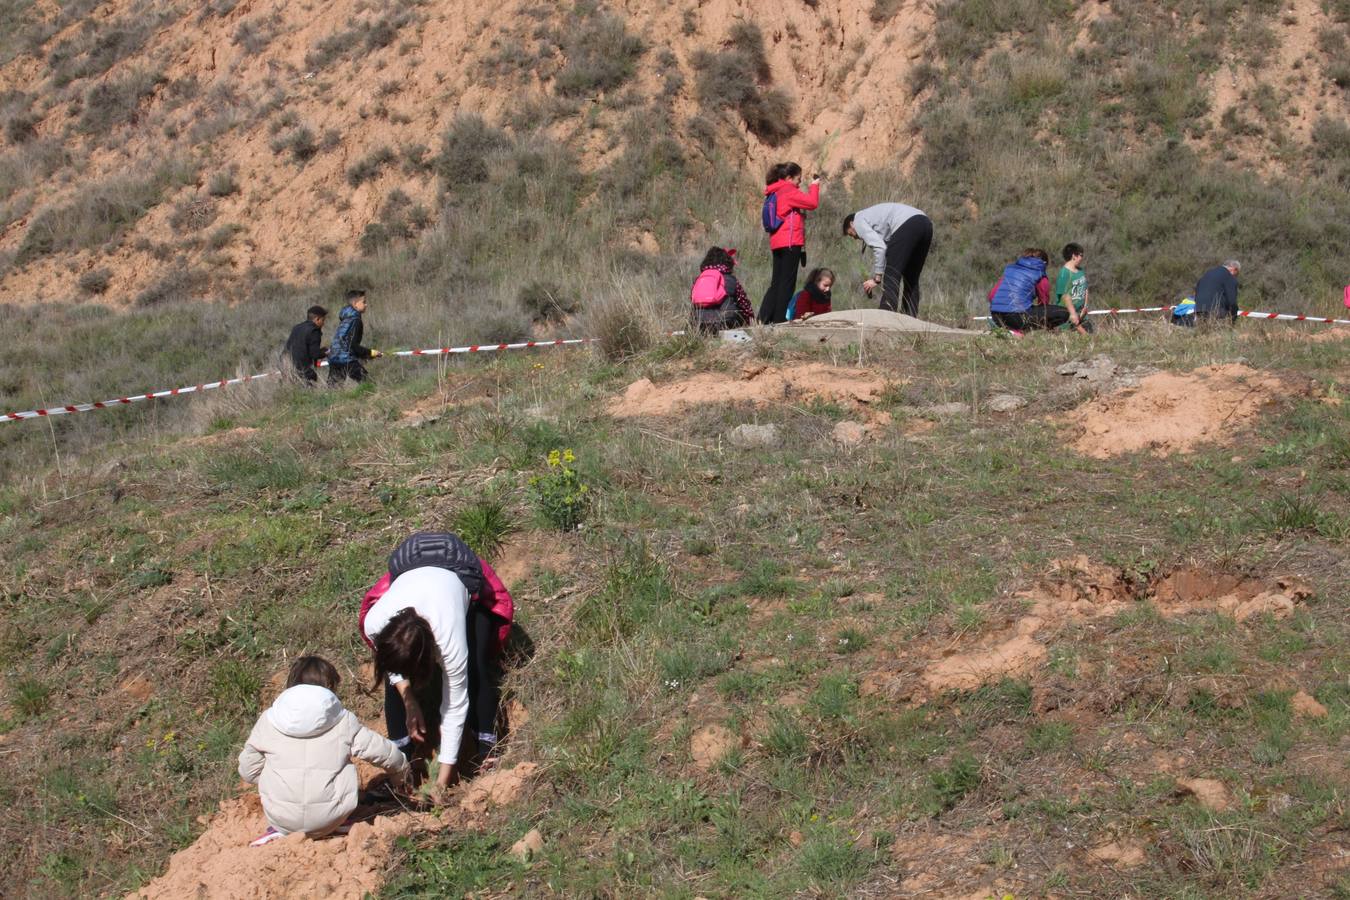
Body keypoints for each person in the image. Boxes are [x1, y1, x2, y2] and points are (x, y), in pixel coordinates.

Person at [360, 532, 514, 792]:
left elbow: (455, 703)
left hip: (455, 561)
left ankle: (487, 749)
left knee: (477, 666)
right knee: (392, 686)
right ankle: (402, 762)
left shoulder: (448, 635)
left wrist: (442, 781)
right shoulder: (375, 623)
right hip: (409, 559)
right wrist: (408, 699)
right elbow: (393, 669)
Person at [238, 656, 408, 844]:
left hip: (282, 820)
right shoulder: (342, 721)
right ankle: (337, 825)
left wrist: (276, 781)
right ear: (330, 687)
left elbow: (248, 770)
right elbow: (384, 753)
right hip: (333, 818)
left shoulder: (269, 720)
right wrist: (401, 775)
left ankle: (281, 830)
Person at [842, 203, 933, 317]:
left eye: (852, 234)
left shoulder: (858, 220)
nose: (855, 237)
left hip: (907, 224)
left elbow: (880, 248)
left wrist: (877, 278)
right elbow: (890, 251)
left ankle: (886, 315)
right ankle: (910, 317)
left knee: (891, 275)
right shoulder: (873, 217)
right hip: (926, 224)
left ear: (851, 224)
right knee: (911, 277)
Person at [758, 162, 820, 324]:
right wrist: (815, 185)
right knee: (787, 284)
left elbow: (786, 214)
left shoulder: (775, 191)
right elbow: (812, 203)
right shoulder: (788, 190)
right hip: (791, 243)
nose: (800, 183)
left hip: (777, 242)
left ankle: (763, 319)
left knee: (776, 283)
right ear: (788, 178)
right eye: (798, 179)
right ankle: (779, 321)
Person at [988, 249, 1071, 332]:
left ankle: (1010, 330)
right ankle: (1023, 331)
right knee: (1063, 312)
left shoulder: (1010, 270)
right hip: (1017, 318)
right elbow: (1044, 303)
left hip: (996, 316)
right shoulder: (1040, 273)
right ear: (1044, 263)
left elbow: (991, 296)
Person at [689, 247, 753, 334]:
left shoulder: (699, 279)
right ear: (727, 262)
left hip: (699, 323)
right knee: (739, 310)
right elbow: (744, 304)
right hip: (726, 322)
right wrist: (750, 321)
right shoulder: (731, 279)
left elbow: (692, 300)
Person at [327, 289, 383, 384]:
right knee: (369, 385)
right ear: (355, 304)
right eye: (364, 302)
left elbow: (345, 343)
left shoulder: (346, 319)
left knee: (333, 390)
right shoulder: (356, 320)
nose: (366, 305)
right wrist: (371, 353)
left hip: (333, 357)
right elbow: (353, 345)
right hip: (346, 359)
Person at [282, 305, 327, 382]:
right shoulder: (314, 331)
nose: (323, 323)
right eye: (323, 320)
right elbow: (315, 354)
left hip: (287, 369)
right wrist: (326, 352)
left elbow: (292, 347)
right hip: (304, 371)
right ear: (317, 319)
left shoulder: (296, 327)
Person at [1055, 242, 1092, 334]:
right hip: (1067, 316)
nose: (1082, 258)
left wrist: (1085, 307)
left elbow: (1085, 288)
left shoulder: (1080, 271)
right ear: (1073, 256)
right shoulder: (1064, 273)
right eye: (1081, 255)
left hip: (1082, 313)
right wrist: (1073, 313)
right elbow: (1065, 296)